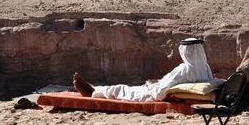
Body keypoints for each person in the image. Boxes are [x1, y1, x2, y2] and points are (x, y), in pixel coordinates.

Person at [73, 38, 213, 102]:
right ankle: (95, 88)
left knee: (123, 89)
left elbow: (159, 94)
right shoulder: (204, 67)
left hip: (153, 94)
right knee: (127, 88)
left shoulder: (185, 69)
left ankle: (93, 92)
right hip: (167, 88)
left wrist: (152, 86)